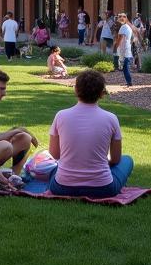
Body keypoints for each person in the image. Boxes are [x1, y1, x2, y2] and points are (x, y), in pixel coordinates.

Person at [47, 69, 134, 198]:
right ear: (102, 93)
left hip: (62, 187)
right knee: (127, 160)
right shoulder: (111, 118)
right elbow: (116, 159)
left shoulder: (61, 116)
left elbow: (55, 154)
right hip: (103, 189)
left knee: (54, 170)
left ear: (76, 90)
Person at [114, 13, 134, 87]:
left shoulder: (123, 27)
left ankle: (129, 82)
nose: (120, 18)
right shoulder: (128, 27)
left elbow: (120, 38)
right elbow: (131, 39)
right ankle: (129, 82)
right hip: (126, 50)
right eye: (119, 17)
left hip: (124, 51)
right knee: (125, 67)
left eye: (123, 17)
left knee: (125, 67)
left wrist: (116, 46)